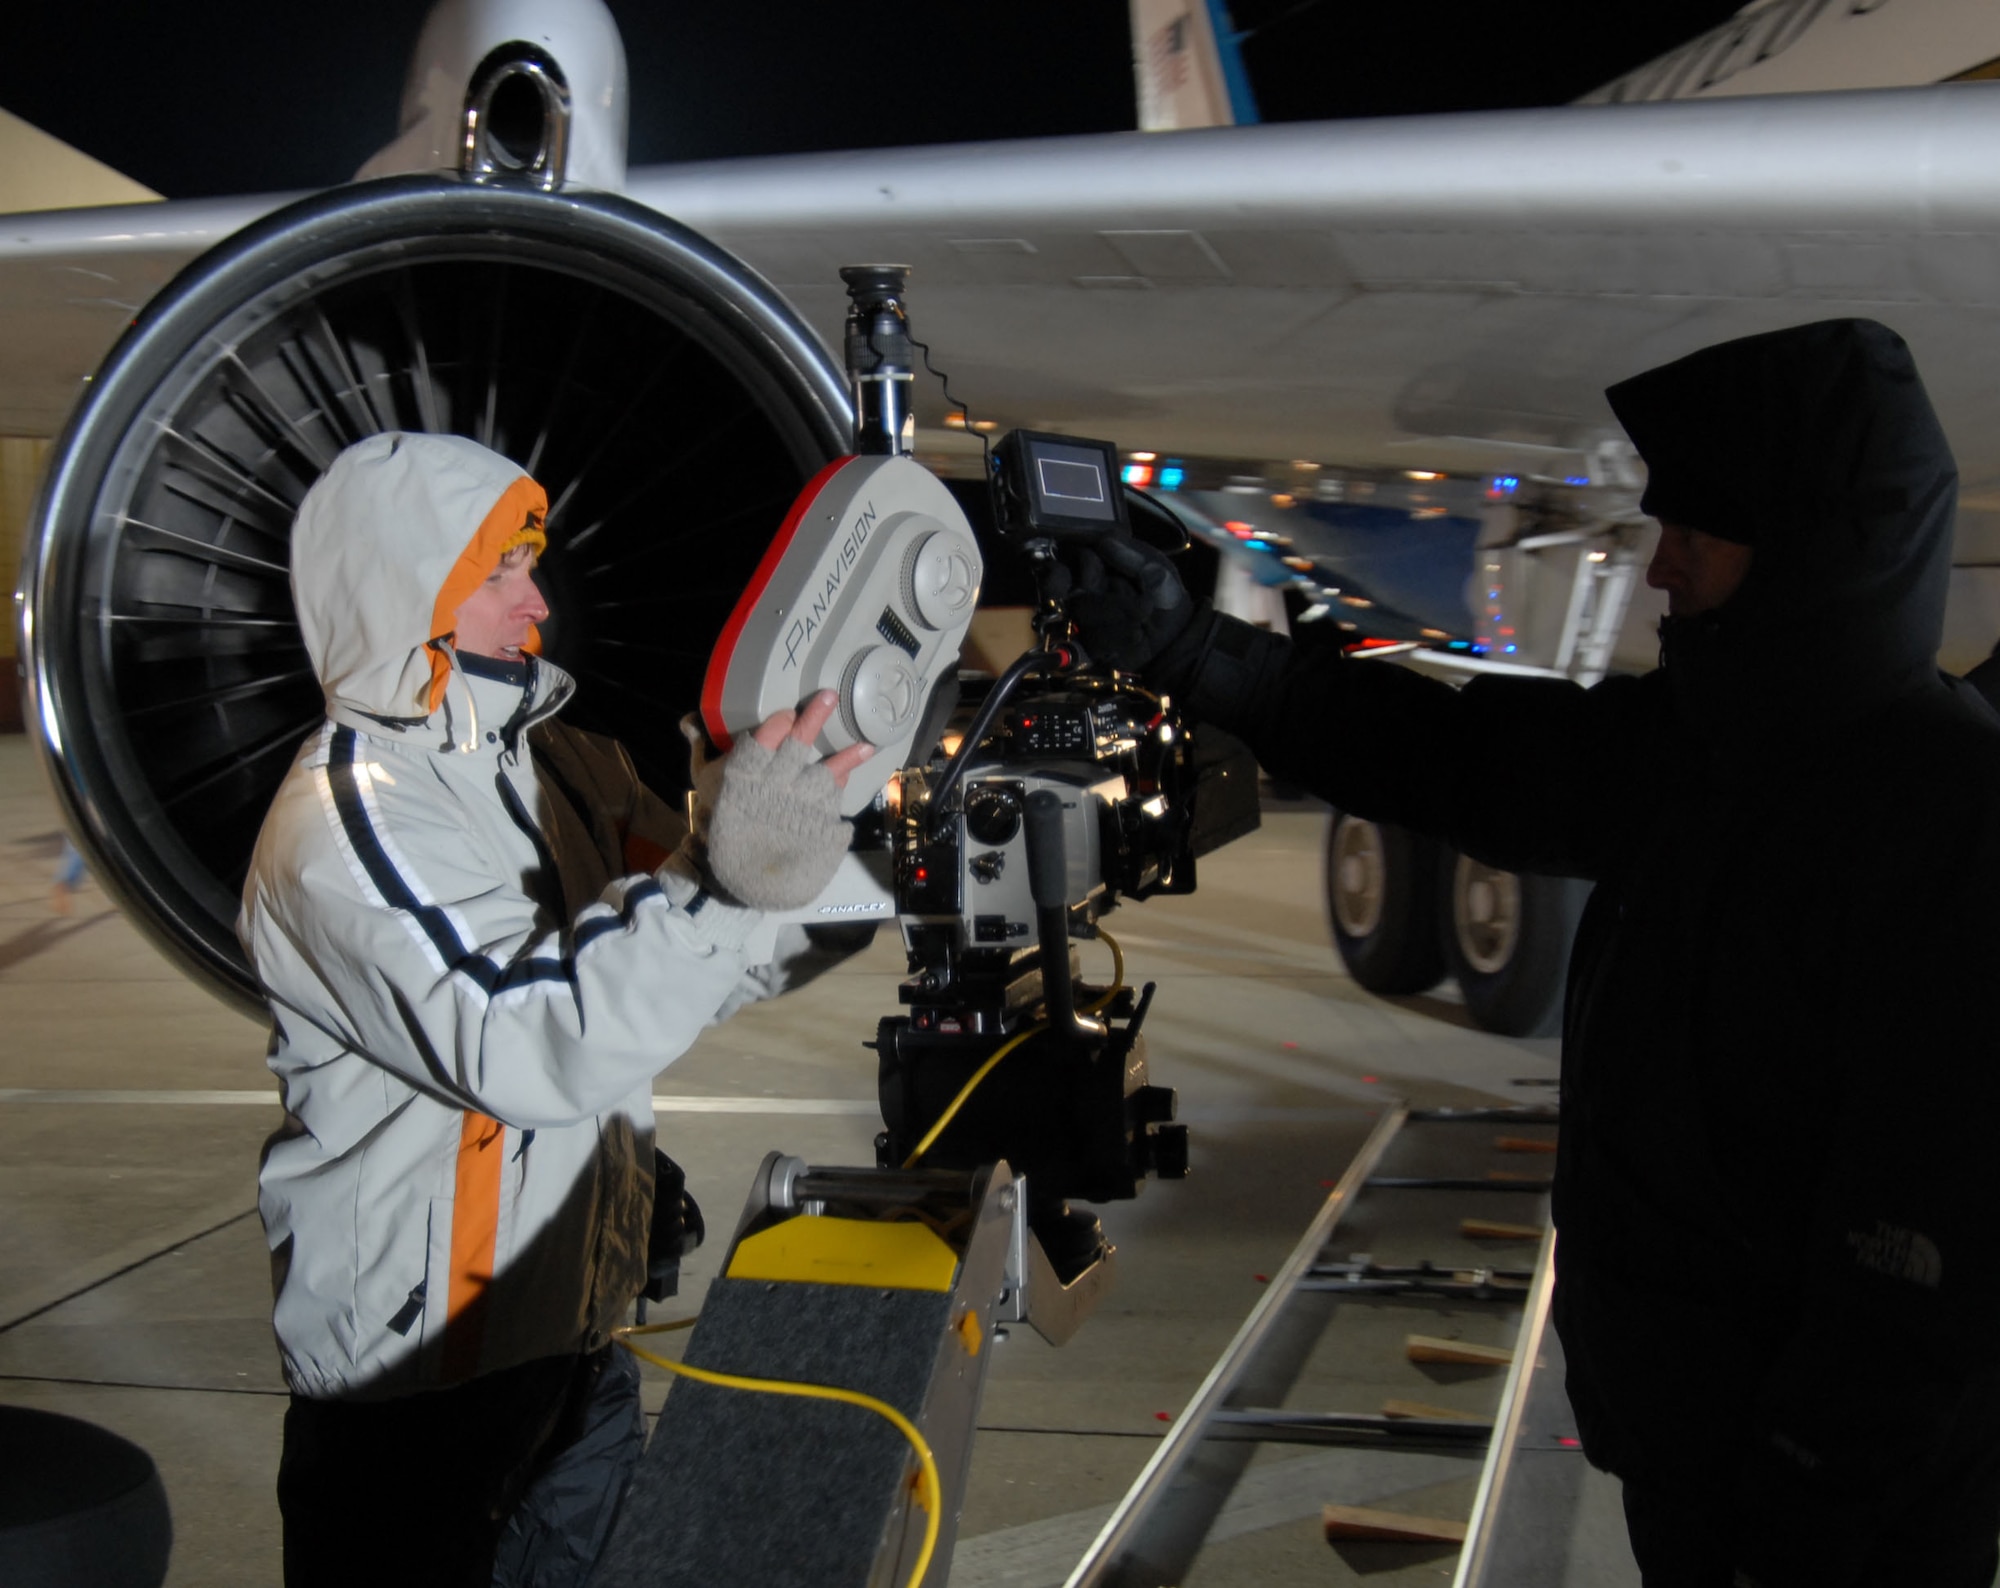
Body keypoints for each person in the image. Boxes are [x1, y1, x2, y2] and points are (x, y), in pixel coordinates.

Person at [1057, 318, 2000, 1587]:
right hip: (1699, 1457)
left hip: (1832, 1514)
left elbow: (1921, 1247)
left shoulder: (1941, 814)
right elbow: (1459, 761)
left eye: (1696, 532)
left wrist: (1805, 1492)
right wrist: (1189, 649)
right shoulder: (1710, 745)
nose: (1659, 564)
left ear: (1803, 552)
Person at [239, 432, 869, 1588]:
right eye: (498, 572)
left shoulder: (563, 761)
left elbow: (698, 962)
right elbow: (526, 1039)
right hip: (418, 1373)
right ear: (400, 585)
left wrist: (840, 843)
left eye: (533, 563)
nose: (537, 602)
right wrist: (722, 878)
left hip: (574, 1332)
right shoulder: (343, 820)